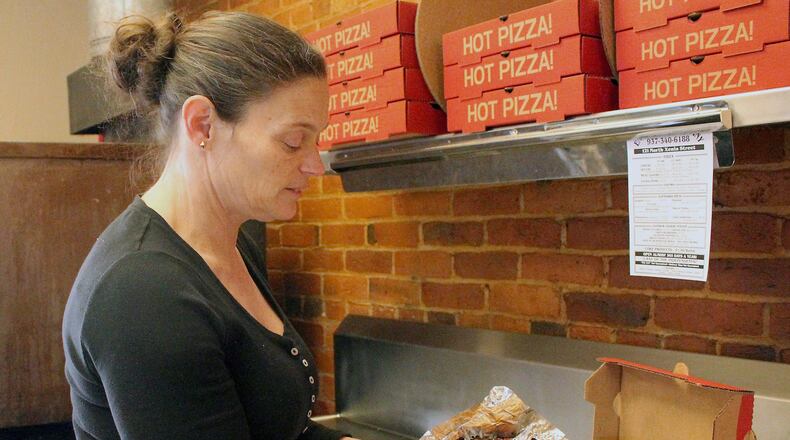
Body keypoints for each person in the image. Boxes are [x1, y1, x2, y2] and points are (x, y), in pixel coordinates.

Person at [62, 10, 359, 440]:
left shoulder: (232, 248)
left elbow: (274, 427)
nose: (316, 165)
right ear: (202, 124)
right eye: (294, 141)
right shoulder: (144, 291)